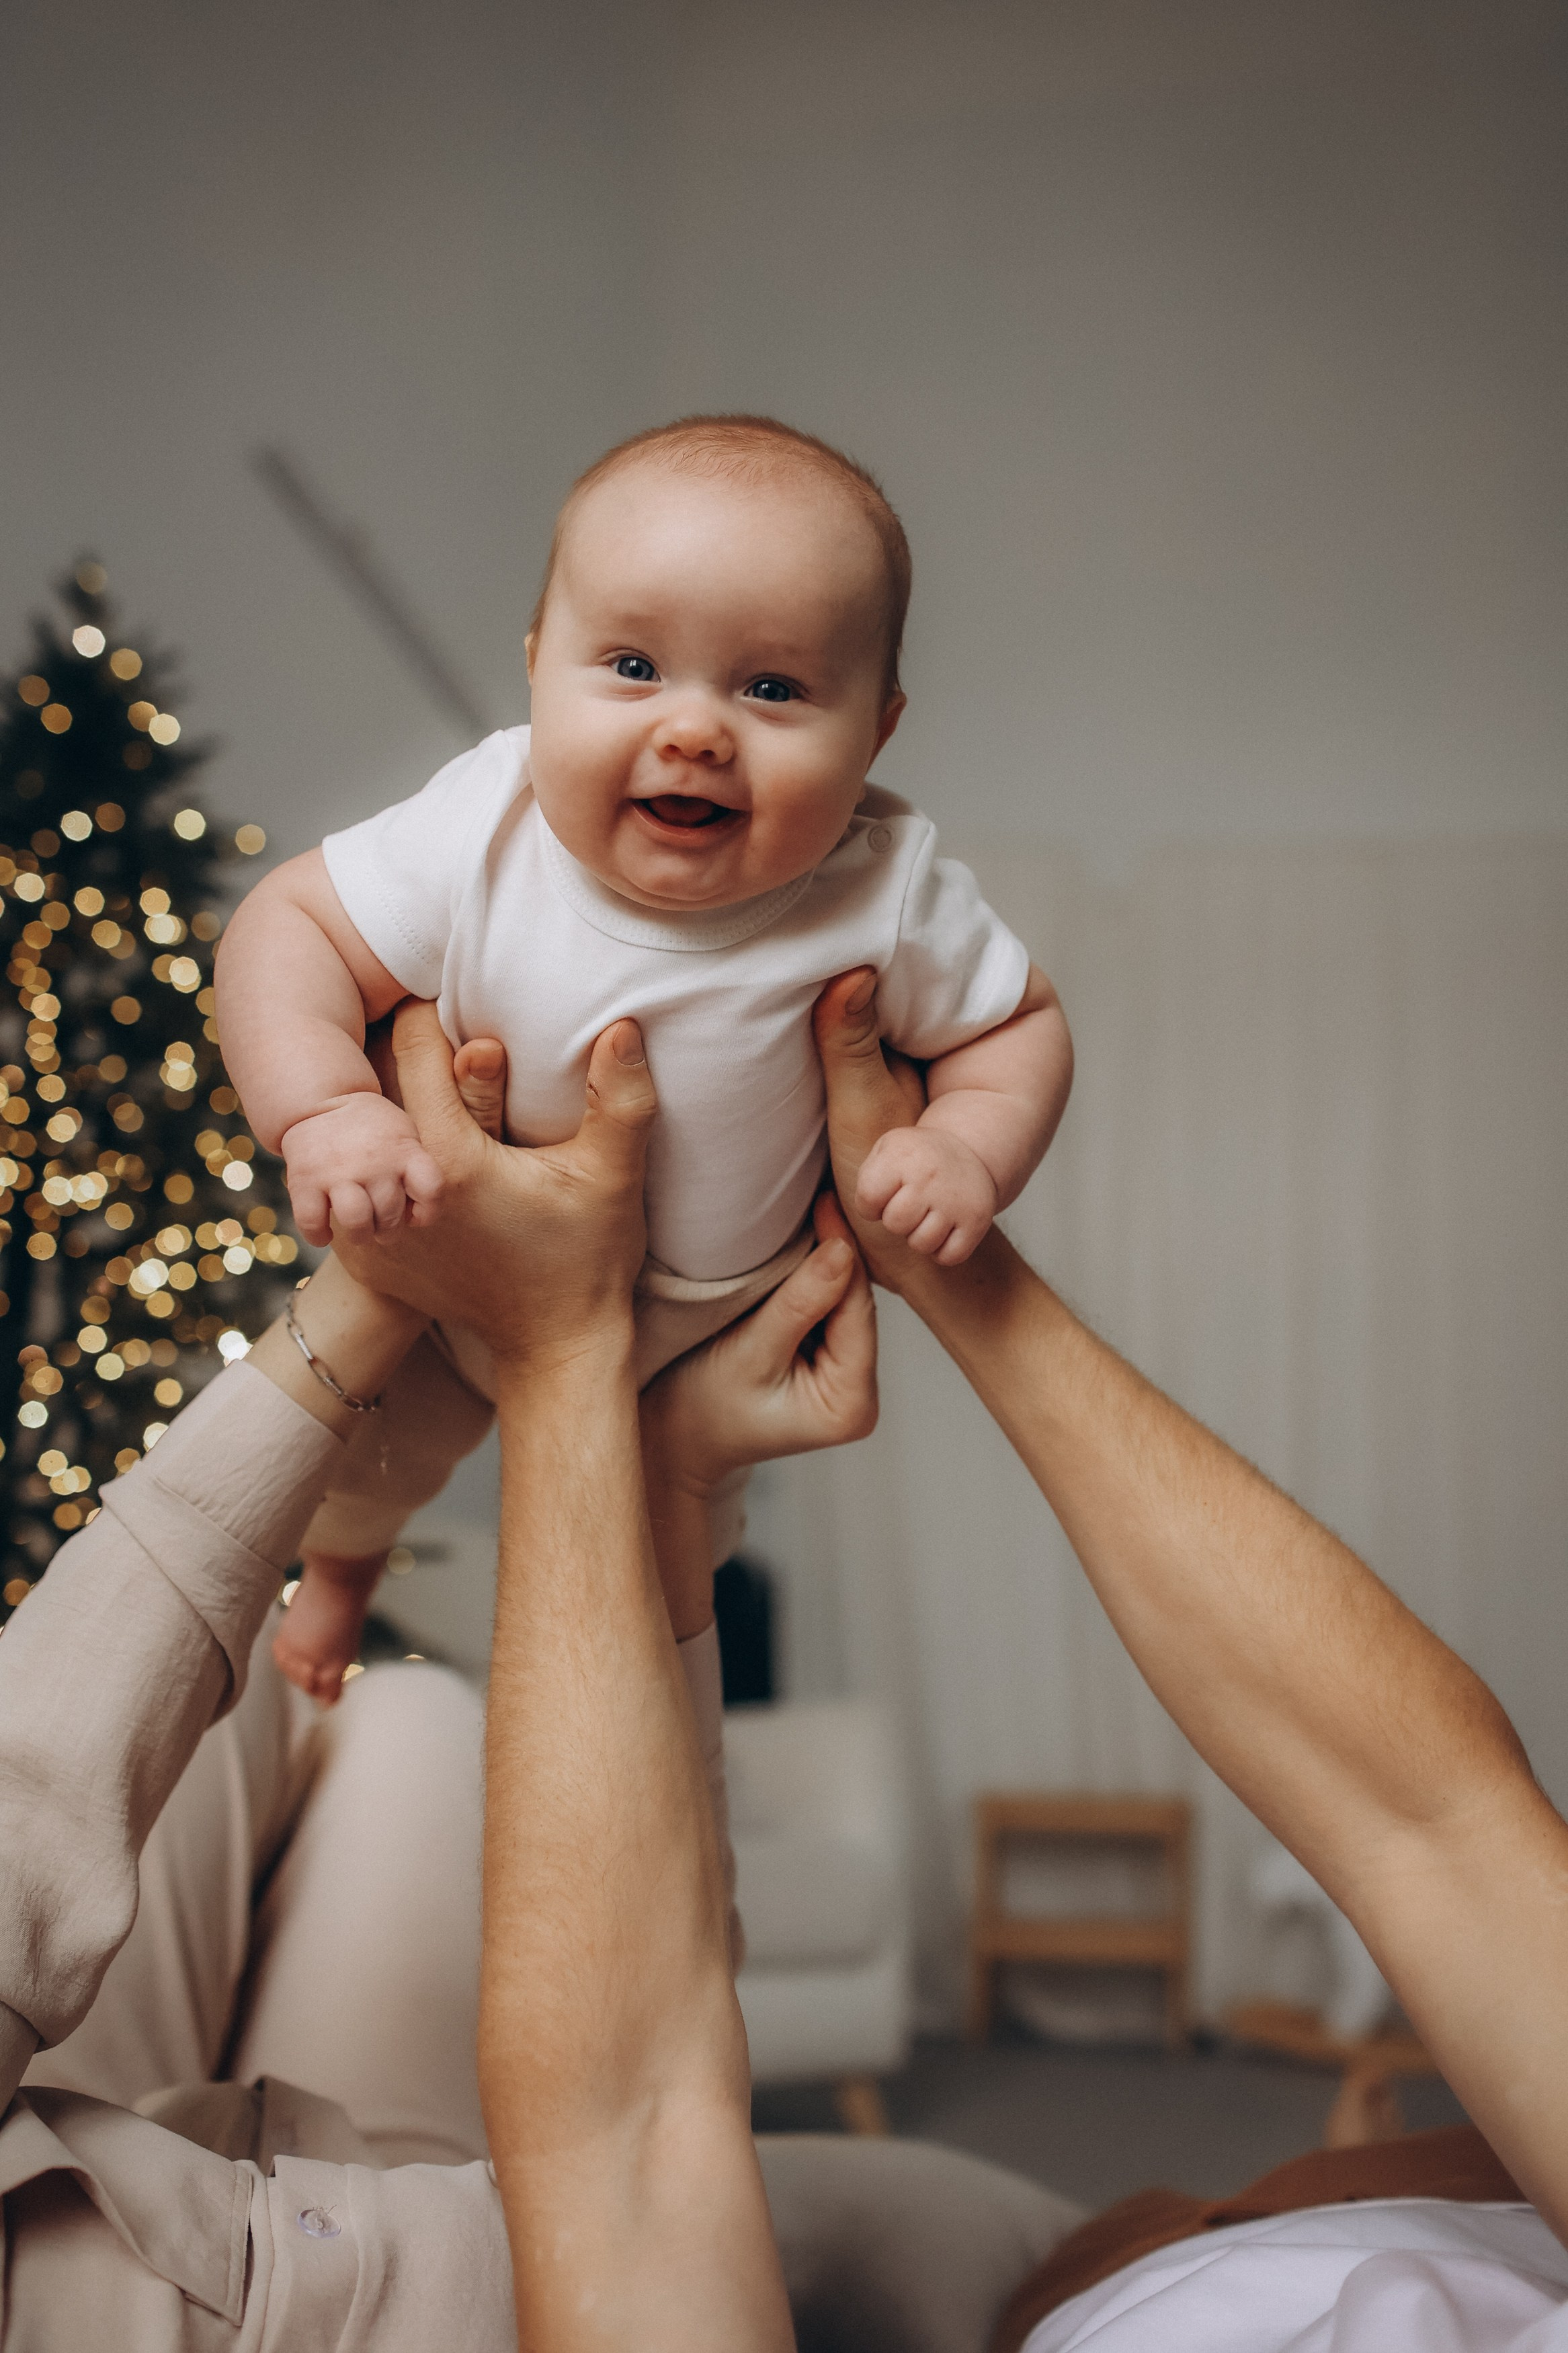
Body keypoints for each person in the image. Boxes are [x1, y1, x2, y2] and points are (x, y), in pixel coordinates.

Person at [213, 411, 1073, 1701]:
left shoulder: (882, 889)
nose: (696, 729)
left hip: (700, 1341)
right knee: (362, 1464)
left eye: (772, 688)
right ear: (536, 668)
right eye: (629, 665)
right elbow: (288, 927)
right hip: (461, 1265)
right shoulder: (486, 826)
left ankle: (636, 1717)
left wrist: (964, 1149)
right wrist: (328, 1110)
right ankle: (338, 1582)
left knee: (669, 1561)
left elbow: (1019, 1026)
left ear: (878, 732)